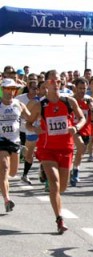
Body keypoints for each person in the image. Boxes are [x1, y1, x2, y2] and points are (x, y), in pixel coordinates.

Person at [26, 71, 86, 233]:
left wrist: (76, 127)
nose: (56, 83)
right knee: (54, 182)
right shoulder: (41, 105)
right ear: (46, 85)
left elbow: (82, 119)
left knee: (63, 187)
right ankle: (59, 219)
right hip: (47, 149)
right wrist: (35, 128)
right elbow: (29, 124)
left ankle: (45, 174)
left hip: (66, 149)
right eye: (52, 81)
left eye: (59, 80)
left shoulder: (69, 101)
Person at [0, 78, 30, 212]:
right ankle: (7, 199)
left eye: (13, 89)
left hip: (15, 141)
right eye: (7, 89)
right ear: (2, 90)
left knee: (12, 173)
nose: (10, 92)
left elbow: (30, 118)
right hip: (1, 142)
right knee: (4, 169)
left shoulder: (18, 104)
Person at [70, 77, 93, 186]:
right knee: (81, 147)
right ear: (75, 88)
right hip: (73, 128)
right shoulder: (70, 100)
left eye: (84, 88)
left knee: (81, 151)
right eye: (80, 88)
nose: (82, 91)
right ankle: (75, 171)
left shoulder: (90, 100)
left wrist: (92, 108)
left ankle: (74, 168)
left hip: (86, 130)